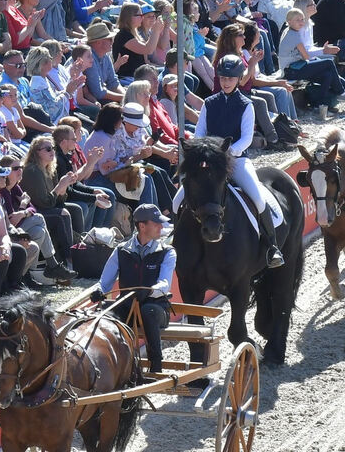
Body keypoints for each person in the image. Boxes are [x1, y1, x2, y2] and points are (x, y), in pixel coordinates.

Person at [185, 54, 283, 268]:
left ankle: (272, 246)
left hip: (237, 160)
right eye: (222, 78)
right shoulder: (209, 103)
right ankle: (178, 242)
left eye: (230, 78)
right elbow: (199, 133)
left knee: (258, 199)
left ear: (239, 79)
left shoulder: (246, 104)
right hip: (209, 163)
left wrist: (226, 154)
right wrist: (201, 153)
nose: (226, 82)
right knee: (178, 200)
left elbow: (246, 138)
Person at [91, 203, 173, 374]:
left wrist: (149, 290)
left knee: (148, 311)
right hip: (127, 307)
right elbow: (104, 282)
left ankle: (156, 364)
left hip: (157, 308)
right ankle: (109, 364)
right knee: (103, 311)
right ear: (142, 226)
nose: (161, 227)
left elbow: (165, 284)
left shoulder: (168, 252)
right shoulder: (120, 250)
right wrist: (98, 291)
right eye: (156, 223)